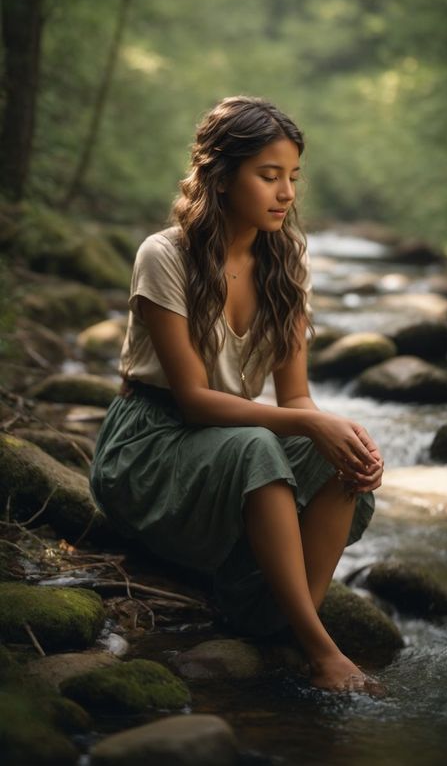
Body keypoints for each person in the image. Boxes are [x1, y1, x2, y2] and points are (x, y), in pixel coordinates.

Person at [90, 95, 384, 693]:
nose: (286, 194)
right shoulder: (165, 255)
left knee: (341, 462)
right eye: (268, 175)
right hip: (152, 442)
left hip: (229, 441)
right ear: (222, 178)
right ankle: (316, 647)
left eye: (293, 177)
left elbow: (296, 398)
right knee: (257, 446)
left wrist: (335, 431)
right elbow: (194, 401)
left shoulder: (288, 262)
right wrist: (305, 426)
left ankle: (273, 618)